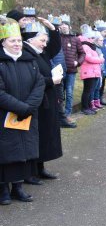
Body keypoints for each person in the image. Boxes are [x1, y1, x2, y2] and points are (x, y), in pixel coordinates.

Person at [0, 17, 45, 204]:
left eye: (19, 40)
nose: (17, 44)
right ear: (3, 42)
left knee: (23, 152)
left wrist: (29, 107)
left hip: (26, 115)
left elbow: (39, 84)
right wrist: (21, 108)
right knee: (5, 152)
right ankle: (3, 189)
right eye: (12, 41)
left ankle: (18, 187)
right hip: (5, 116)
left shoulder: (30, 61)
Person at [21, 18, 64, 184]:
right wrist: (51, 81)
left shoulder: (39, 52)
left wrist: (53, 29)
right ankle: (30, 173)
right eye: (42, 40)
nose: (45, 44)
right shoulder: (26, 54)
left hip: (47, 100)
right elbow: (31, 80)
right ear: (31, 40)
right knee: (35, 137)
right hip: (36, 102)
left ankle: (40, 168)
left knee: (44, 136)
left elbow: (54, 47)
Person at [59, 14, 84, 125]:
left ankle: (68, 114)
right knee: (60, 94)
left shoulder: (75, 39)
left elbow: (82, 53)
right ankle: (60, 114)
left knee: (69, 93)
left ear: (69, 27)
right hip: (59, 71)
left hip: (71, 71)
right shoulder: (56, 38)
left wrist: (77, 62)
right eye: (62, 24)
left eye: (65, 24)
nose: (63, 26)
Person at [79, 28, 104, 115]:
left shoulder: (89, 46)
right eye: (92, 38)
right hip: (88, 72)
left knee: (90, 91)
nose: (94, 39)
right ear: (88, 38)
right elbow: (89, 58)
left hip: (93, 72)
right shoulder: (85, 46)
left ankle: (89, 107)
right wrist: (100, 59)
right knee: (87, 91)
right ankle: (84, 108)